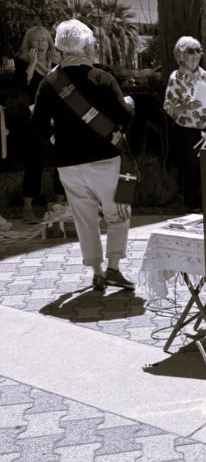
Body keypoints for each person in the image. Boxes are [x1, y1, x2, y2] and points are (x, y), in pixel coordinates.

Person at [31, 20, 137, 291]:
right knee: (117, 214)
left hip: (68, 165)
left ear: (59, 49)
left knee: (84, 219)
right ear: (87, 47)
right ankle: (114, 268)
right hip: (104, 160)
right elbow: (124, 117)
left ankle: (97, 272)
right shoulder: (102, 78)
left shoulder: (48, 83)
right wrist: (129, 104)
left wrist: (57, 141)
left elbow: (38, 125)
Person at [10, 25, 65, 223]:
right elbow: (21, 87)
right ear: (29, 43)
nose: (40, 44)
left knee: (64, 158)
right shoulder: (22, 63)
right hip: (35, 120)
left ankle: (58, 205)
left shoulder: (57, 63)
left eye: (43, 40)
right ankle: (27, 207)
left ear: (49, 43)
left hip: (57, 119)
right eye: (36, 40)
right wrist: (32, 64)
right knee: (36, 160)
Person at [163, 36, 206, 213]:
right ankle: (193, 205)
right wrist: (187, 107)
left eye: (198, 51)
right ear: (180, 55)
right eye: (190, 51)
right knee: (192, 168)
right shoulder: (176, 77)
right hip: (187, 129)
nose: (196, 55)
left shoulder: (205, 75)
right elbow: (168, 107)